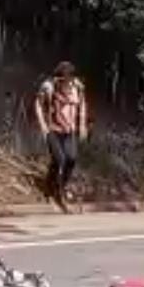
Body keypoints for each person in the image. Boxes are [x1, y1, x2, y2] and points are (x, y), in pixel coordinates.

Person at [35, 61, 88, 212]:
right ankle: (53, 189)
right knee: (59, 159)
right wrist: (43, 126)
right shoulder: (48, 87)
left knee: (71, 158)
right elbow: (38, 104)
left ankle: (58, 186)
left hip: (69, 130)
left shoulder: (77, 87)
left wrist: (82, 124)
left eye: (68, 78)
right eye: (62, 78)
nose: (66, 81)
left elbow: (83, 104)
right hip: (53, 129)